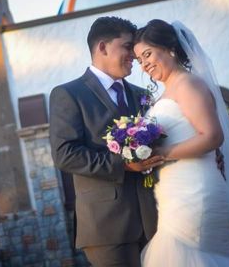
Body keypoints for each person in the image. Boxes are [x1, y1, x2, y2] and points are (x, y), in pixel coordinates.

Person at [133, 19, 229, 267]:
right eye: (139, 60)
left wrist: (163, 152)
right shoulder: (168, 91)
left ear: (169, 47)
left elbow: (212, 136)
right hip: (174, 189)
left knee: (190, 255)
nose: (144, 64)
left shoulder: (188, 84)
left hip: (196, 188)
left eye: (147, 54)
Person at [49, 16, 164, 267]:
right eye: (126, 47)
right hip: (106, 225)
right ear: (102, 47)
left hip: (156, 219)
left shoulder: (142, 95)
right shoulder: (68, 94)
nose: (134, 55)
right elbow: (65, 154)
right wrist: (122, 164)